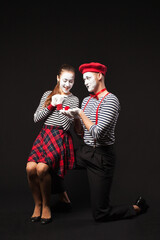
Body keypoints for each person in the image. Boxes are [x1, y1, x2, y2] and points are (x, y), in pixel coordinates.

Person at [60, 62, 149, 222]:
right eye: (83, 79)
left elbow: (97, 133)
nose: (85, 82)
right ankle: (63, 199)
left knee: (100, 214)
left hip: (101, 158)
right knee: (52, 161)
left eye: (88, 77)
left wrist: (80, 113)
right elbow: (82, 134)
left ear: (99, 75)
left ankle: (136, 208)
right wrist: (75, 120)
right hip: (85, 151)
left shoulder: (111, 101)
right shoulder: (86, 100)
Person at [26, 64, 79, 224]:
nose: (67, 84)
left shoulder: (74, 99)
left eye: (71, 81)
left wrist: (61, 105)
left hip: (59, 136)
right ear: (58, 78)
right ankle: (38, 204)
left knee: (42, 168)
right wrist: (51, 104)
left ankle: (47, 206)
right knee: (30, 168)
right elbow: (36, 118)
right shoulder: (48, 94)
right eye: (64, 80)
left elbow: (66, 123)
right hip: (44, 135)